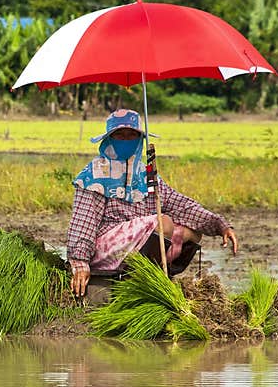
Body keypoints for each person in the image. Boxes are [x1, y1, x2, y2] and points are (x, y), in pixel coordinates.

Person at [67, 108, 238, 297]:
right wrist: (80, 261)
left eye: (131, 135)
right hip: (106, 248)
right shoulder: (95, 174)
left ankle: (154, 277)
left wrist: (220, 225)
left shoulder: (146, 174)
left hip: (139, 246)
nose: (126, 140)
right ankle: (141, 280)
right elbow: (83, 222)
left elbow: (181, 205)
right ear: (109, 139)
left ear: (140, 139)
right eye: (120, 136)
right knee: (164, 223)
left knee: (192, 233)